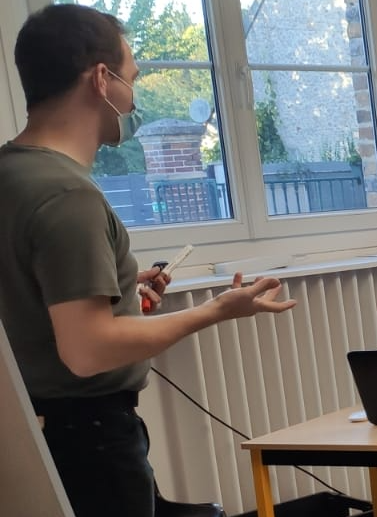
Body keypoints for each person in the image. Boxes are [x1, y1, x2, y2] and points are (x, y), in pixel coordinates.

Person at [0, 5, 298, 516]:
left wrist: (115, 290)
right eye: (131, 79)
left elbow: (32, 296)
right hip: (90, 442)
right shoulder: (67, 195)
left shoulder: (12, 175)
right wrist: (216, 310)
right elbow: (88, 350)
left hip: (34, 434)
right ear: (101, 80)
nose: (133, 98)